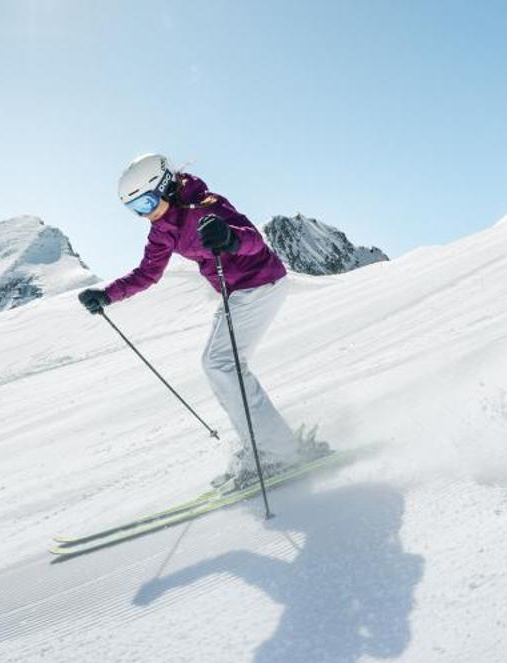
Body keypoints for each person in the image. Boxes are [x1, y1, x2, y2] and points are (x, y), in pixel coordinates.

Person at [78, 154, 323, 491]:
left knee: (220, 363)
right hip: (237, 293)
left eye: (147, 201)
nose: (145, 212)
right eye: (135, 209)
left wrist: (229, 237)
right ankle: (265, 446)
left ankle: (278, 451)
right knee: (218, 365)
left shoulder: (206, 206)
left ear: (164, 186)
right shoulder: (162, 230)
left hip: (261, 283)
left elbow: (253, 239)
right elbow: (148, 273)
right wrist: (107, 295)